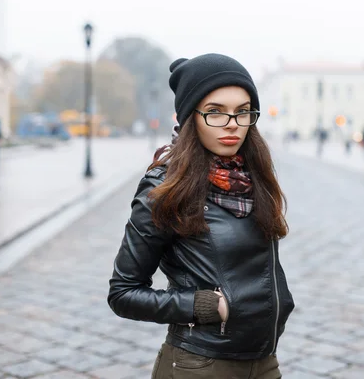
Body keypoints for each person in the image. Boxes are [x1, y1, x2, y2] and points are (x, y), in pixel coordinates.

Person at [108, 54, 294, 379]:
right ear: (190, 117)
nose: (232, 123)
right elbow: (123, 293)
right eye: (215, 112)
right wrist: (199, 305)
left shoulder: (253, 176)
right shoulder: (166, 186)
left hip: (265, 361)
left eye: (242, 111)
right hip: (200, 365)